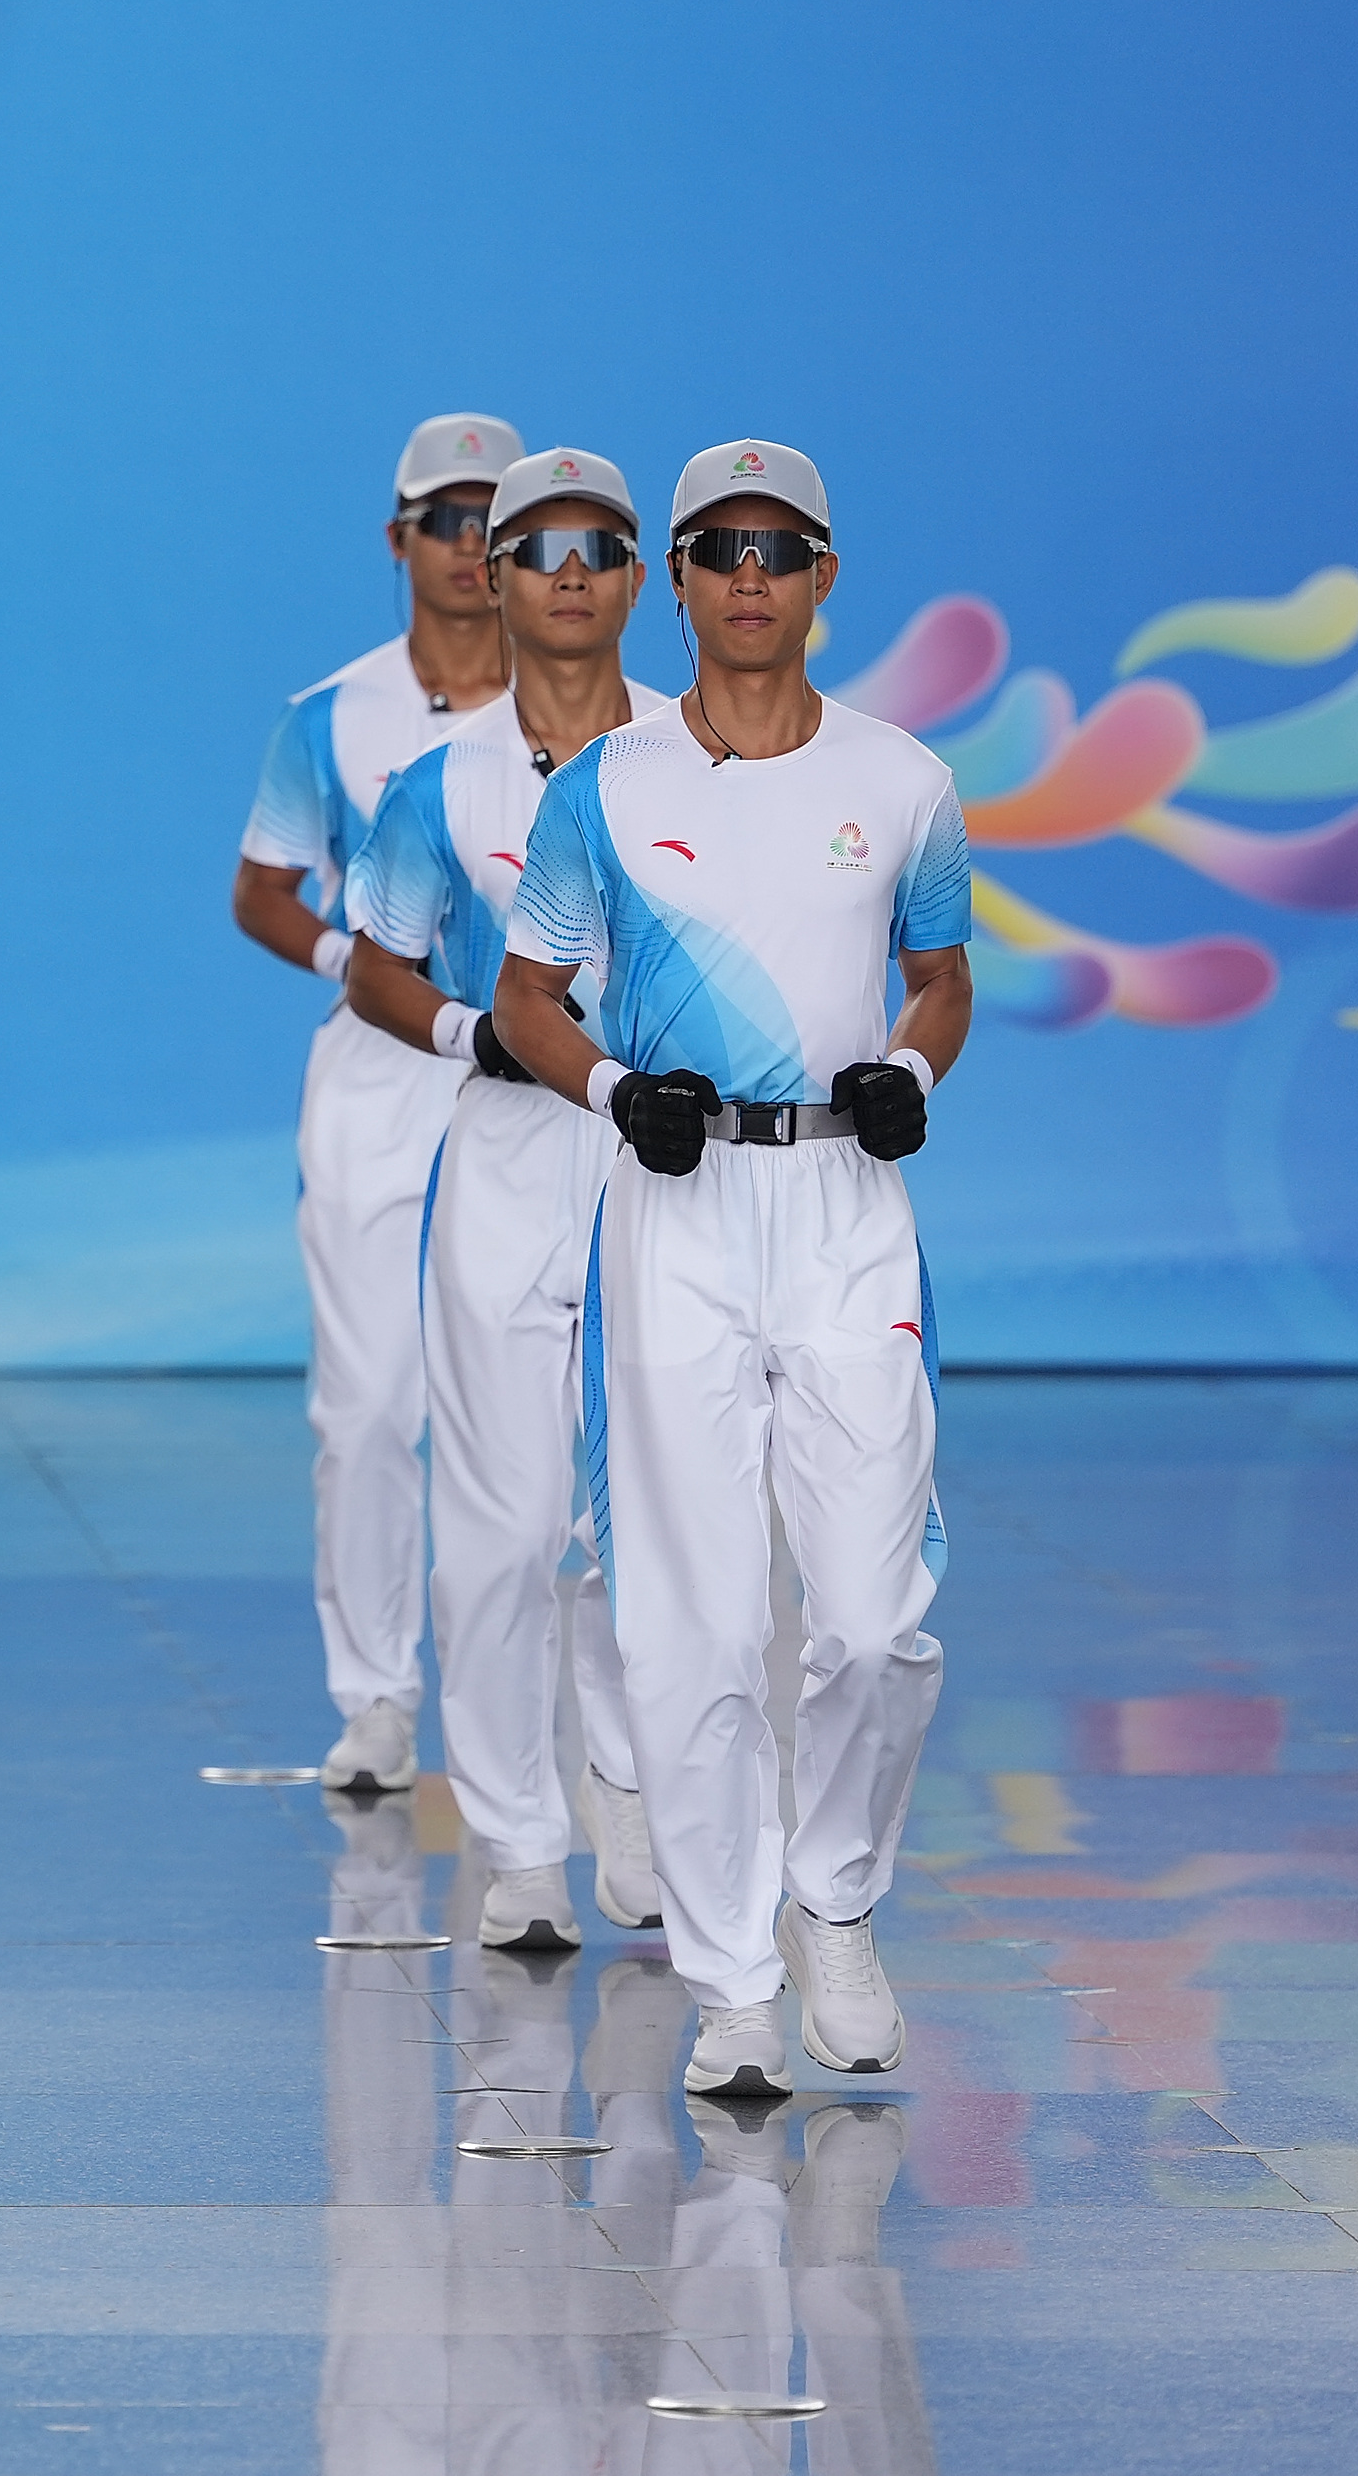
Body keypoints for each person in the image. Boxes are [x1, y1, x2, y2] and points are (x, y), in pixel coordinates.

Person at [495, 439, 972, 2101]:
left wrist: (908, 1070)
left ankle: (833, 1900)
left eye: (781, 549)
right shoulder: (603, 788)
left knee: (875, 1622)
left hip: (845, 1206)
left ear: (826, 576)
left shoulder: (903, 782)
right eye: (719, 549)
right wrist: (614, 1091)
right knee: (689, 1628)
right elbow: (527, 998)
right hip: (675, 1212)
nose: (750, 576)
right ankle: (731, 1986)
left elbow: (941, 977)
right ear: (680, 582)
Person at [342, 444, 667, 1954]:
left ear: (637, 580)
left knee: (654, 1514)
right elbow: (377, 964)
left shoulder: (702, 762)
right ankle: (520, 1840)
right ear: (496, 576)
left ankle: (634, 1793)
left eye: (599, 549)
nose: (567, 574)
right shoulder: (439, 784)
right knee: (499, 1522)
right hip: (509, 1149)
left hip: (668, 1156)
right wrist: (474, 1033)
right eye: (538, 549)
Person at [232, 410, 520, 1791]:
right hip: (381, 1078)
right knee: (365, 1409)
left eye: (494, 523)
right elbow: (262, 890)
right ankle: (376, 1701)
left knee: (537, 1417)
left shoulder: (599, 712)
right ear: (399, 540)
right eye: (446, 521)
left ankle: (541, 1712)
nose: (471, 546)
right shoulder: (329, 718)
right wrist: (352, 960)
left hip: (542, 1080)